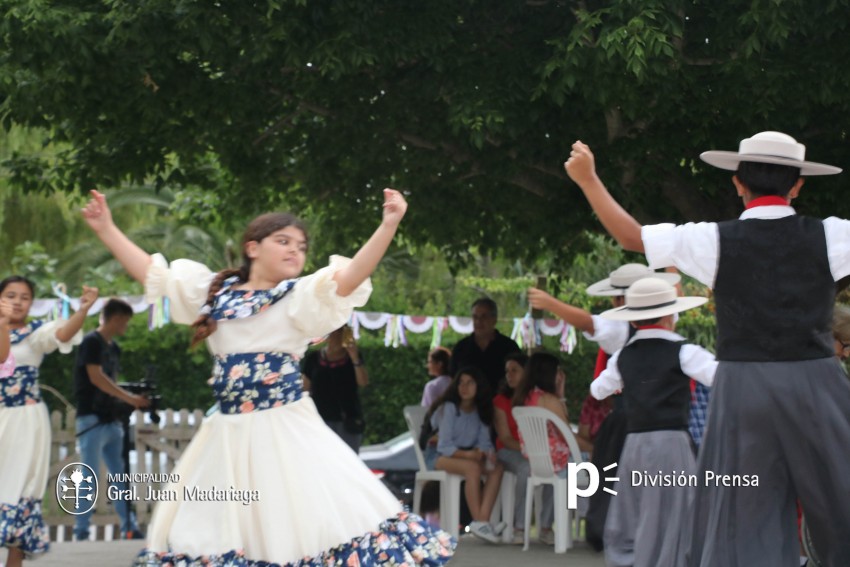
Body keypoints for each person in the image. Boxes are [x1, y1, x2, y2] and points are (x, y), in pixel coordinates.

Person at [81, 189, 454, 566]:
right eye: (284, 241)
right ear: (253, 248)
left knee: (297, 529)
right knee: (206, 534)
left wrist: (389, 224)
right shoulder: (214, 292)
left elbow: (352, 275)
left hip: (286, 433)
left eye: (302, 246)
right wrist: (106, 227)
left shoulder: (299, 296)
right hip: (227, 437)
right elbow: (152, 273)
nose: (295, 250)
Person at [567, 131, 850, 566]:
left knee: (743, 512)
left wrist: (588, 179)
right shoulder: (832, 235)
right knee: (841, 501)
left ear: (738, 182)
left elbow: (630, 236)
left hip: (742, 384)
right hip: (815, 379)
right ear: (798, 185)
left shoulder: (713, 239)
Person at [591, 277, 717, 567]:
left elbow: (598, 389)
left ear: (634, 322)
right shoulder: (684, 352)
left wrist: (622, 383)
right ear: (670, 316)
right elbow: (719, 376)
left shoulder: (623, 356)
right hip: (672, 443)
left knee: (636, 509)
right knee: (674, 511)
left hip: (634, 443)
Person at [0, 276, 97, 567]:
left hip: (26, 422)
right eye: (10, 295)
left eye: (25, 297)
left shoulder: (35, 333)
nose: (18, 301)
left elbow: (64, 334)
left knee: (24, 487)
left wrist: (82, 310)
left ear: (32, 303)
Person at [73, 298, 150, 541]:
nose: (125, 326)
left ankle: (129, 525)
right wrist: (130, 398)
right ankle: (81, 530)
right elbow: (96, 377)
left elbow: (111, 382)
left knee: (120, 475)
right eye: (125, 321)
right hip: (90, 419)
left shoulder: (113, 348)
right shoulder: (91, 342)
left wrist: (126, 398)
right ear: (116, 318)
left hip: (111, 420)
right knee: (88, 475)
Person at [431, 366, 505, 544]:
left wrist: (487, 454)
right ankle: (481, 522)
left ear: (479, 386)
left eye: (470, 383)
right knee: (472, 468)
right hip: (441, 456)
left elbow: (484, 442)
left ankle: (482, 522)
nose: (464, 387)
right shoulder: (449, 407)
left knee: (497, 468)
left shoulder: (481, 410)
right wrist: (469, 455)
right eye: (461, 383)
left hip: (467, 455)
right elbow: (444, 445)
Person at [511, 351, 568, 546]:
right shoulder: (550, 400)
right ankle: (546, 527)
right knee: (587, 461)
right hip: (557, 463)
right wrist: (561, 395)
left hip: (534, 459)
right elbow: (567, 434)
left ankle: (521, 528)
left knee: (559, 468)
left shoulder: (524, 398)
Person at [301, 325, 368, 454]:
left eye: (340, 333)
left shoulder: (352, 358)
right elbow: (305, 387)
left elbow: (363, 382)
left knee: (348, 460)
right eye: (333, 333)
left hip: (347, 421)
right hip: (320, 420)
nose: (336, 337)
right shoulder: (314, 358)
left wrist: (354, 357)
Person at [492, 351, 528, 544]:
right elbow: (505, 438)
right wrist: (529, 451)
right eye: (508, 371)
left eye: (515, 370)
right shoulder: (500, 400)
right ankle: (519, 526)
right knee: (526, 469)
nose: (510, 375)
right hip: (508, 451)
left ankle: (547, 525)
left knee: (561, 468)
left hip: (533, 452)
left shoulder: (535, 398)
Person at [450, 298, 520, 395]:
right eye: (475, 317)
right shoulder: (461, 348)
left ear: (494, 319)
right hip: (468, 406)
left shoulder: (509, 347)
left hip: (501, 404)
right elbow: (452, 379)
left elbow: (520, 379)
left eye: (484, 317)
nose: (479, 321)